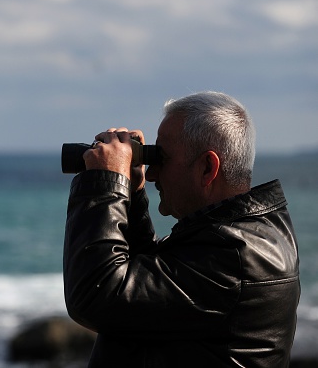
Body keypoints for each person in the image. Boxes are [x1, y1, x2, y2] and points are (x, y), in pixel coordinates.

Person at [63, 91, 300, 367]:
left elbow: (96, 295)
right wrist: (133, 194)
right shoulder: (240, 239)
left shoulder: (237, 257)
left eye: (161, 158)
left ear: (207, 169)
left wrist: (106, 183)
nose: (152, 174)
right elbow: (145, 284)